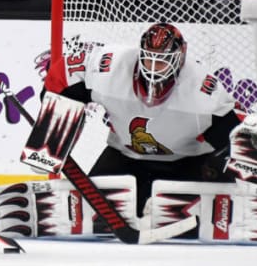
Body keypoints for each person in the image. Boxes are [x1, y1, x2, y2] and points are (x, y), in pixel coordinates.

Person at [42, 23, 246, 213]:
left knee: (212, 218)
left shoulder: (200, 90)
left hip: (188, 164)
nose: (153, 68)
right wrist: (53, 136)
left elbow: (236, 135)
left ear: (180, 59)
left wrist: (235, 167)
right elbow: (62, 77)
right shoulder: (112, 67)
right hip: (125, 158)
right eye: (149, 59)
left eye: (162, 62)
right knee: (87, 213)